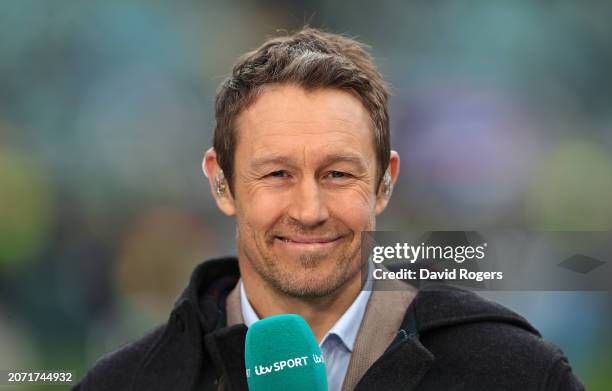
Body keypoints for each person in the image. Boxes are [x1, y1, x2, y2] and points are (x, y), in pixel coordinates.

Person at [74, 27, 584, 391]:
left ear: (385, 184)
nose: (310, 209)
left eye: (338, 174)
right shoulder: (127, 382)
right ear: (221, 183)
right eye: (276, 174)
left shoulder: (515, 373)